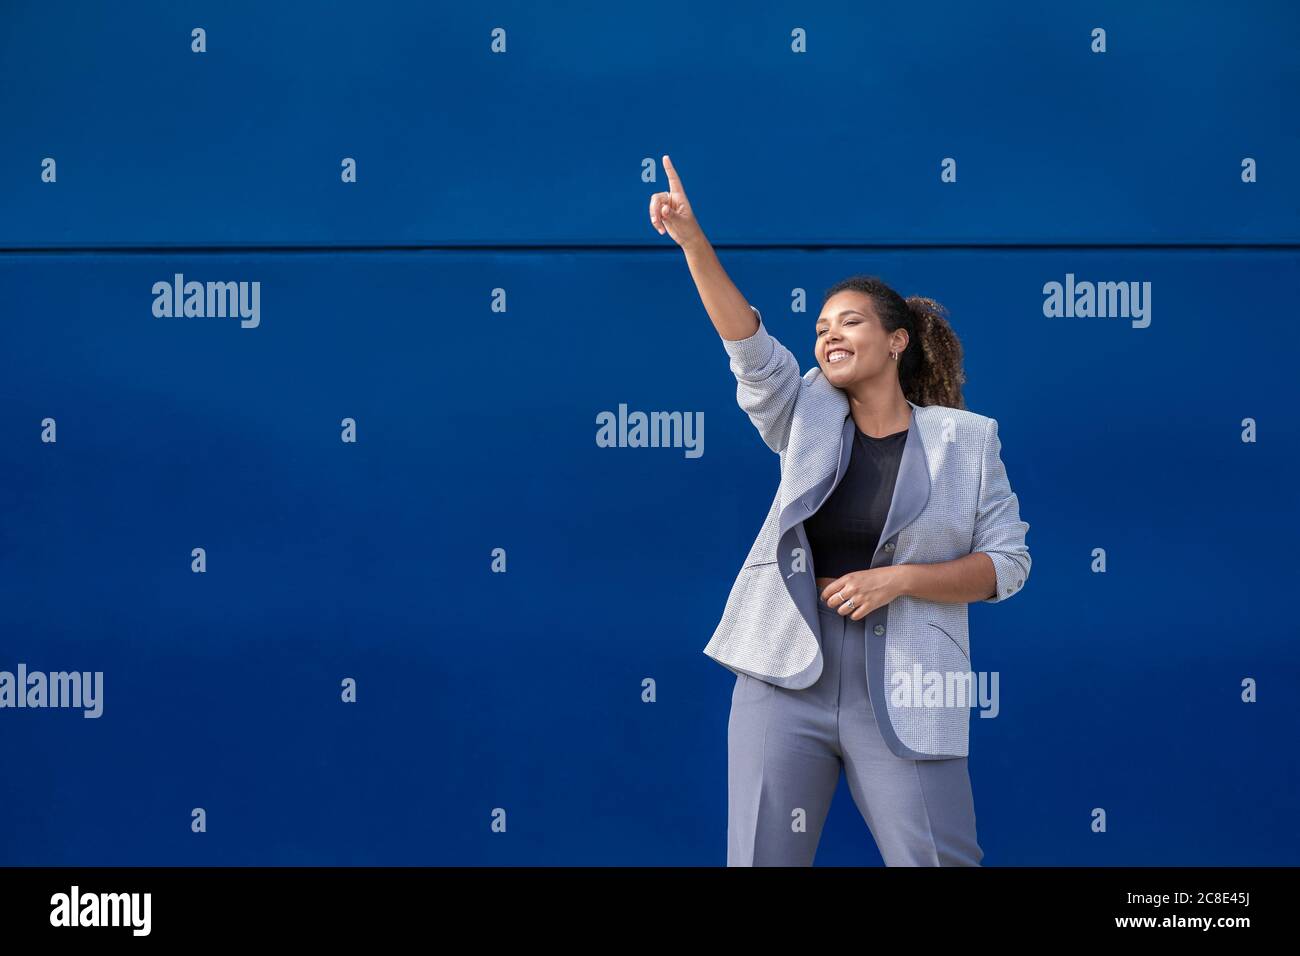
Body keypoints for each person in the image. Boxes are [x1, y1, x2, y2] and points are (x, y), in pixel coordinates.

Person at [650, 154, 1031, 866]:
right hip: (784, 673)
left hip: (911, 682)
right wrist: (694, 242)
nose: (828, 334)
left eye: (849, 321)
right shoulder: (804, 414)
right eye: (822, 325)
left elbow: (1008, 566)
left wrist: (900, 580)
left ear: (897, 340)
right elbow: (750, 350)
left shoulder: (967, 442)